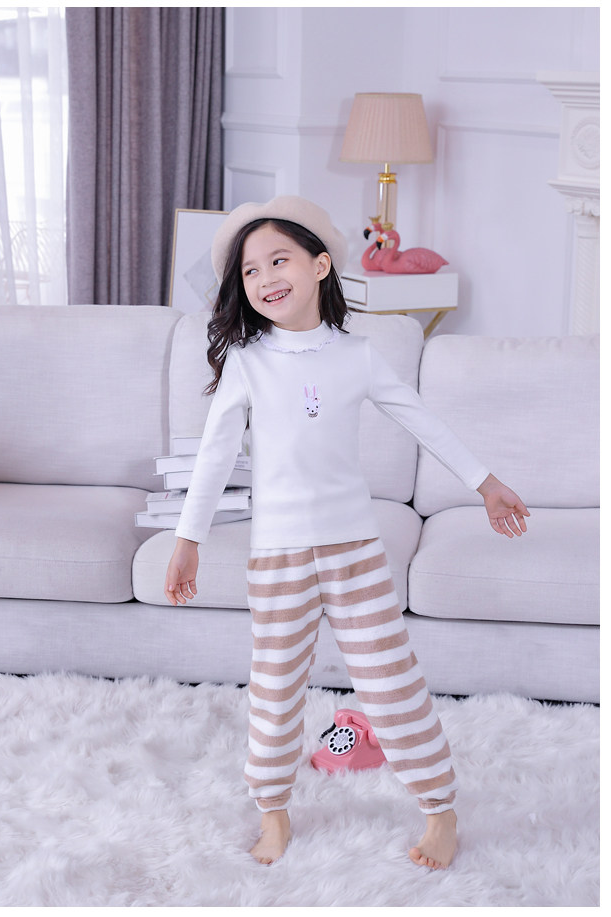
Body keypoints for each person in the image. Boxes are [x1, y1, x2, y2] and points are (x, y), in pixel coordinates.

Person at [164, 196, 529, 870]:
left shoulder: (357, 355)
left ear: (320, 264)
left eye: (279, 260)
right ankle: (273, 812)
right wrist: (189, 540)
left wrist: (485, 482)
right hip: (277, 557)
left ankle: (440, 809)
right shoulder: (247, 361)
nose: (265, 278)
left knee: (391, 683)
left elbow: (421, 420)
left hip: (355, 550)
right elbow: (214, 456)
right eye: (250, 271)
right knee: (274, 689)